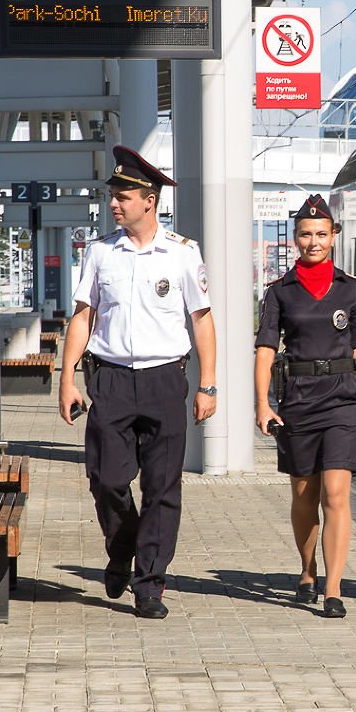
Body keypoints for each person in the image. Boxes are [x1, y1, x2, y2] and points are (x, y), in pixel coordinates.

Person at [58, 145, 218, 619]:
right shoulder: (100, 253)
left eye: (123, 195)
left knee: (163, 487)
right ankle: (122, 545)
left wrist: (208, 385)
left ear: (149, 200)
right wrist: (67, 379)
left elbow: (202, 321)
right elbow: (83, 316)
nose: (114, 203)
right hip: (109, 381)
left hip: (166, 380)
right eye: (112, 194)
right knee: (106, 479)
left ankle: (149, 583)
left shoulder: (183, 254)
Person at [253, 195, 356, 619]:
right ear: (295, 239)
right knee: (304, 495)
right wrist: (262, 405)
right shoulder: (279, 293)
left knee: (336, 494)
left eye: (321, 234)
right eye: (306, 235)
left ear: (334, 237)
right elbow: (266, 351)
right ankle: (307, 571)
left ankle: (334, 588)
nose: (313, 242)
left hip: (344, 399)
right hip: (299, 401)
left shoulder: (351, 288)